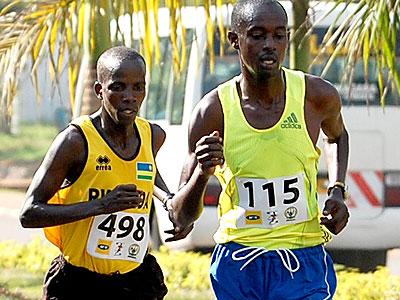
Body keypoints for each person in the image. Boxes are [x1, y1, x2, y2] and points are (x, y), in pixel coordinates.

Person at [166, 1, 350, 299]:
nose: (270, 45)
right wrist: (203, 171)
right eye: (257, 35)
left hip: (301, 260)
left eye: (279, 35)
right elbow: (181, 217)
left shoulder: (316, 96)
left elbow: (337, 136)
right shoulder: (212, 113)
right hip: (239, 263)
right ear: (234, 41)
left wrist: (337, 190)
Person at [19, 46, 188, 300]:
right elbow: (29, 214)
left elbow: (146, 173)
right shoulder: (75, 141)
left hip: (136, 280)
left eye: (138, 87)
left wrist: (170, 203)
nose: (129, 96)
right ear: (100, 90)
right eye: (118, 87)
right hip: (80, 282)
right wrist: (100, 205)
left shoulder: (152, 135)